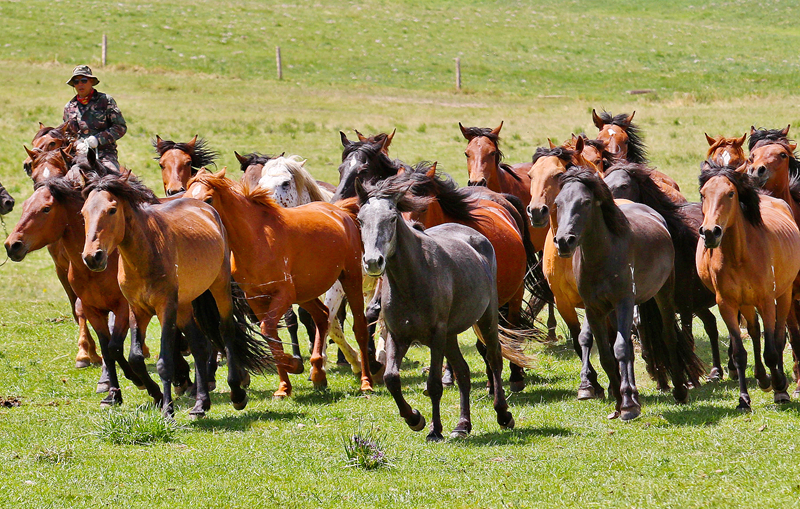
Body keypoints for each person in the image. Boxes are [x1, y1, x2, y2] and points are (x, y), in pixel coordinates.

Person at [63, 65, 126, 172]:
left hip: (105, 155)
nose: (80, 84)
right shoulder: (69, 107)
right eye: (76, 82)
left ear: (91, 81)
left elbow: (120, 127)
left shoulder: (106, 101)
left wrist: (97, 139)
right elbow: (67, 134)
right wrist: (77, 144)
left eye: (84, 80)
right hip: (79, 156)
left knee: (112, 179)